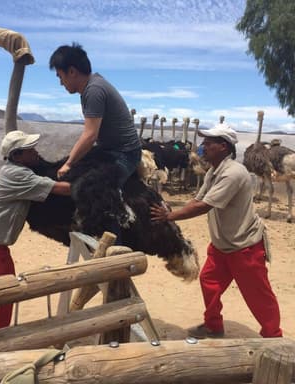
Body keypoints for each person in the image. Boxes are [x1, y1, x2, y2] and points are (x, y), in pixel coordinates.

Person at [150, 123, 282, 339]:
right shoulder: (214, 171)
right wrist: (173, 209)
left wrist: (169, 217)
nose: (203, 147)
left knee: (258, 294)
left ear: (223, 147)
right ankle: (213, 326)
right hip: (222, 244)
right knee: (208, 281)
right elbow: (198, 199)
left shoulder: (233, 173)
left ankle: (273, 337)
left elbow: (204, 206)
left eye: (208, 143)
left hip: (244, 246)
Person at [0, 130, 71, 336]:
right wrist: (97, 185)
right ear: (17, 156)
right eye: (30, 150)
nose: (36, 152)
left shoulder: (22, 172)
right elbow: (63, 189)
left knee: (6, 299)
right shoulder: (17, 175)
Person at [49, 42, 141, 187]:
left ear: (72, 72)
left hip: (124, 154)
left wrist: (69, 164)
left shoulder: (94, 90)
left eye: (60, 76)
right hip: (109, 150)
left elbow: (90, 135)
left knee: (91, 189)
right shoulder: (92, 85)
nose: (61, 83)